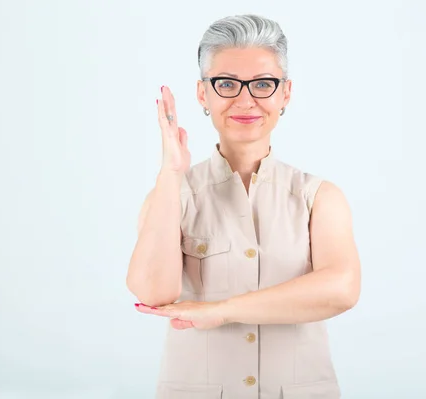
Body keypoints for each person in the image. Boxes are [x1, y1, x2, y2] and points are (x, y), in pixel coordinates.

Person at [126, 14, 361, 399]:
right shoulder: (172, 194)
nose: (246, 99)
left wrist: (223, 309)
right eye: (227, 83)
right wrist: (170, 173)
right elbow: (154, 293)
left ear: (285, 94)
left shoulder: (318, 196)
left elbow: (341, 289)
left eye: (263, 84)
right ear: (203, 93)